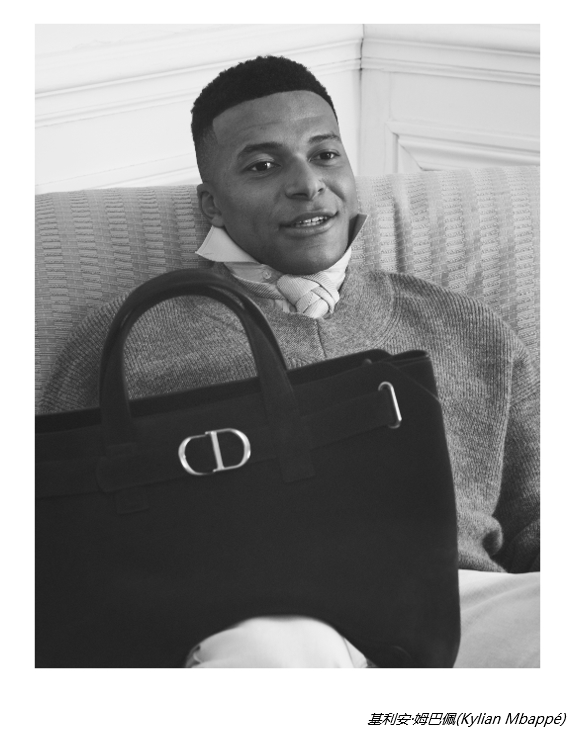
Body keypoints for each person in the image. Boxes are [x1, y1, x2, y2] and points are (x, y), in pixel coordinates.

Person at [40, 55, 540, 668]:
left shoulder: (465, 326)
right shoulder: (128, 336)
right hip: (252, 622)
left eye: (325, 154)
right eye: (263, 165)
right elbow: (62, 546)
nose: (307, 183)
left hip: (457, 602)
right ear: (212, 204)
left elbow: (539, 517)